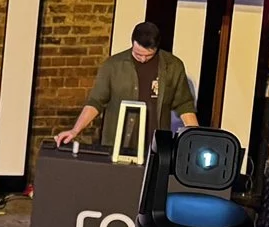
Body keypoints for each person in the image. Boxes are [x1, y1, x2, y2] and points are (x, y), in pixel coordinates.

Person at [55, 20, 196, 147]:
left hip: (154, 145)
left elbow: (184, 105)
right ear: (132, 43)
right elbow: (96, 102)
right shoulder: (113, 65)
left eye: (148, 55)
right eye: (137, 54)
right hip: (118, 144)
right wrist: (75, 130)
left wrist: (195, 138)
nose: (142, 59)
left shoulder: (173, 66)